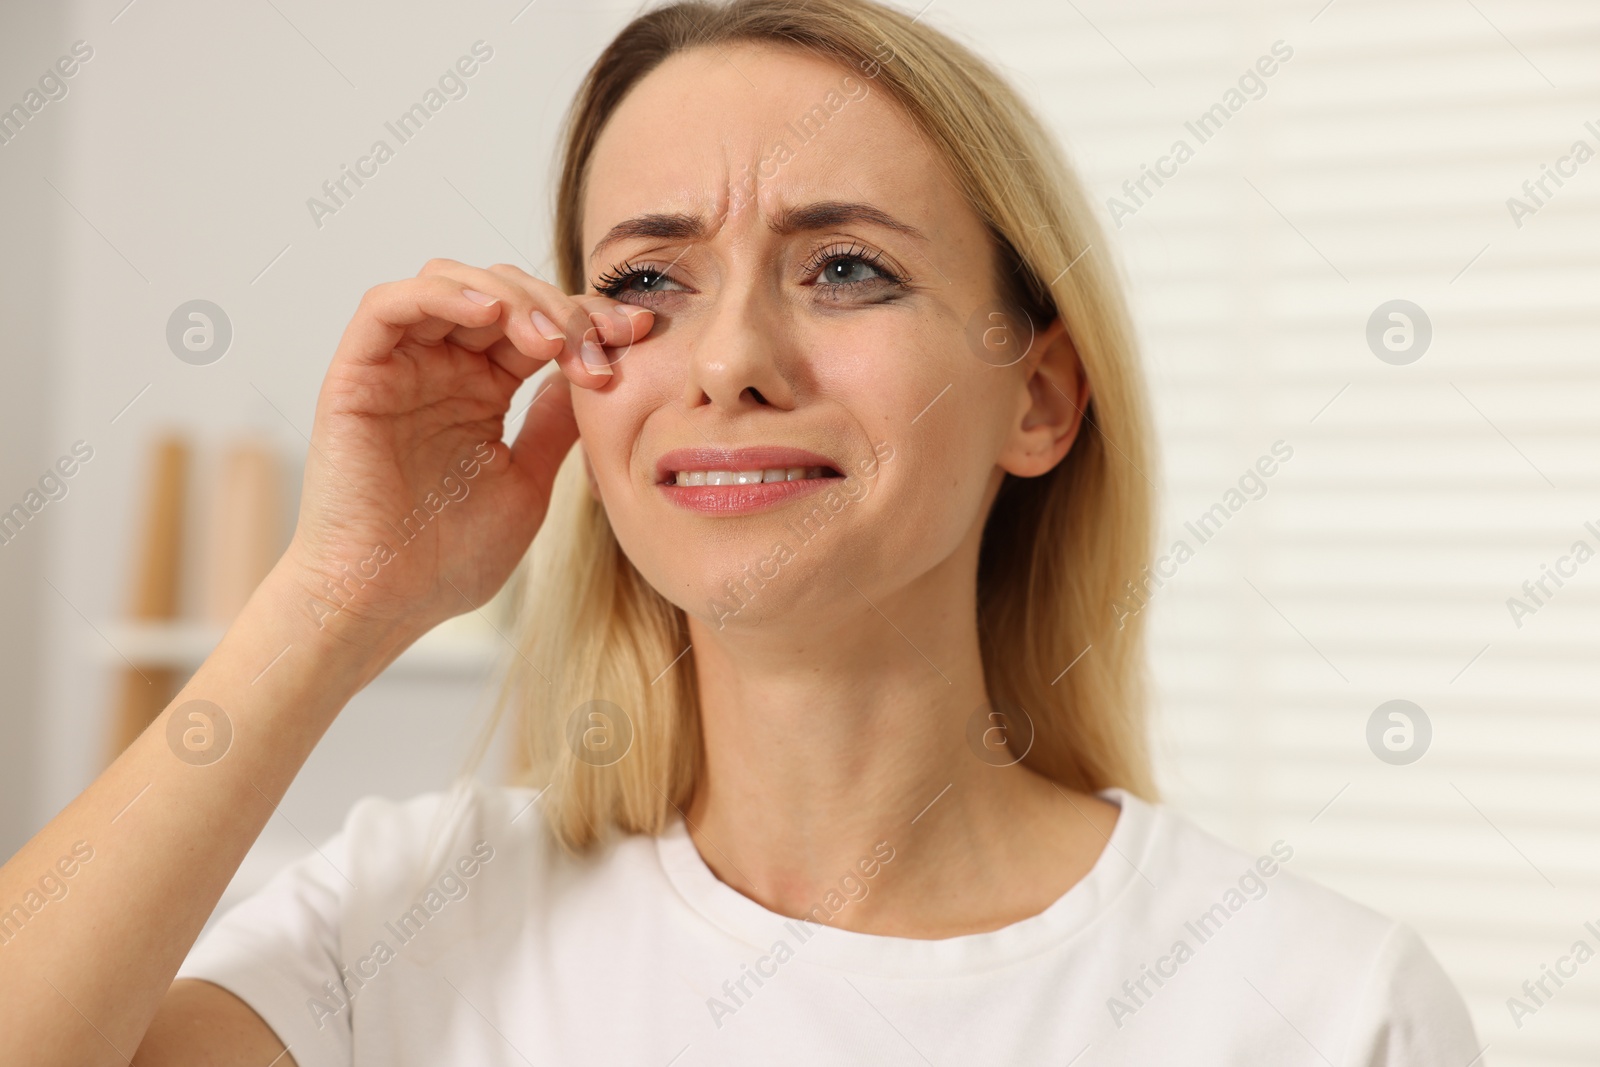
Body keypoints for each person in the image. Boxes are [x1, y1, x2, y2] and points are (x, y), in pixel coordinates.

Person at [0, 1, 1481, 1063]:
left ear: (1038, 396)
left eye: (844, 267)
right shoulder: (404, 922)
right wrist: (335, 601)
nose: (729, 361)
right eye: (648, 281)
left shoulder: (1324, 1007)